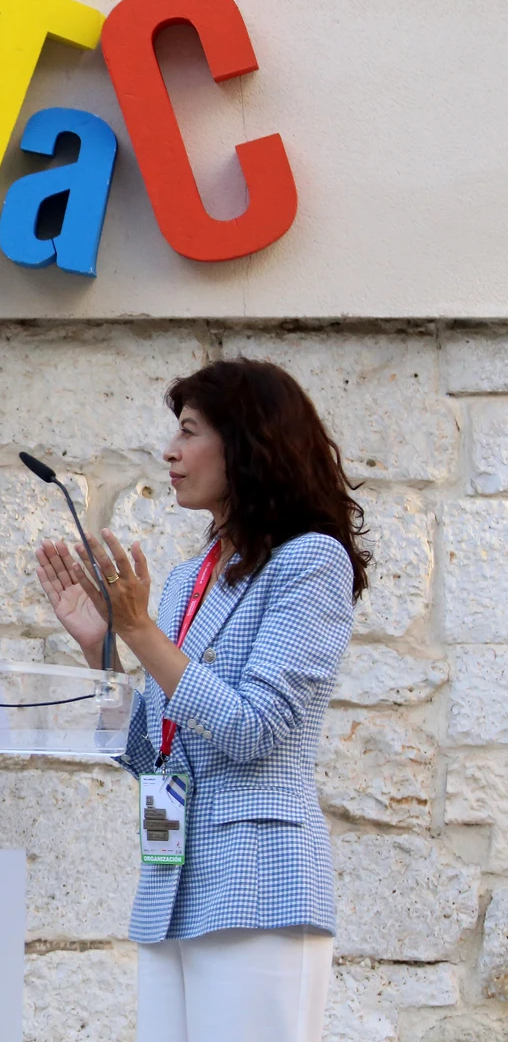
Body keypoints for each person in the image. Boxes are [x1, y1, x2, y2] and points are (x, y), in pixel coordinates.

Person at [33, 358, 369, 1042]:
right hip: (173, 885)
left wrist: (141, 630)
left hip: (258, 888)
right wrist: (101, 646)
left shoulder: (311, 560)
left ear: (246, 444)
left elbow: (254, 729)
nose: (170, 451)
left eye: (189, 431)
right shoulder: (190, 577)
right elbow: (149, 754)